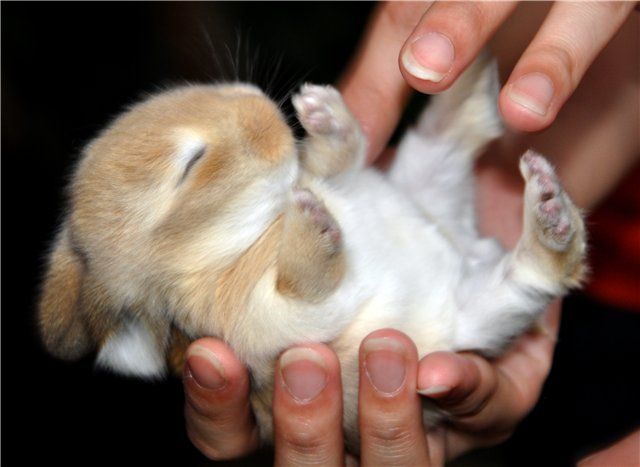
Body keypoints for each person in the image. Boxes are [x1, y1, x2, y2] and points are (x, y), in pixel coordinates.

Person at [182, 2, 639, 465]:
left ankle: (529, 242)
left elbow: (335, 180)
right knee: (470, 305)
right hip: (463, 299)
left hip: (549, 297)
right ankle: (539, 260)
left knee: (428, 162)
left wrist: (337, 140)